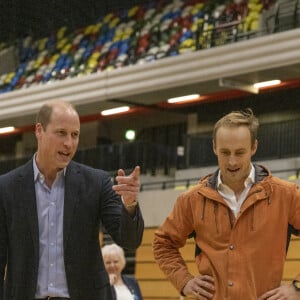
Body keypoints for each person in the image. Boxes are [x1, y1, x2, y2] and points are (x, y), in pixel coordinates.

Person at [0, 99, 144, 300]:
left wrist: (129, 204)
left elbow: (129, 241)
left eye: (75, 135)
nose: (69, 143)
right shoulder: (6, 188)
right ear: (39, 131)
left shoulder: (97, 182)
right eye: (61, 133)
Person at [153, 108, 300, 299]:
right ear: (214, 147)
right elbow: (163, 243)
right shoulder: (191, 200)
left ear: (254, 147)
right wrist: (184, 280)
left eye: (239, 152)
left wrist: (297, 288)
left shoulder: (286, 195)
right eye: (224, 152)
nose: (232, 161)